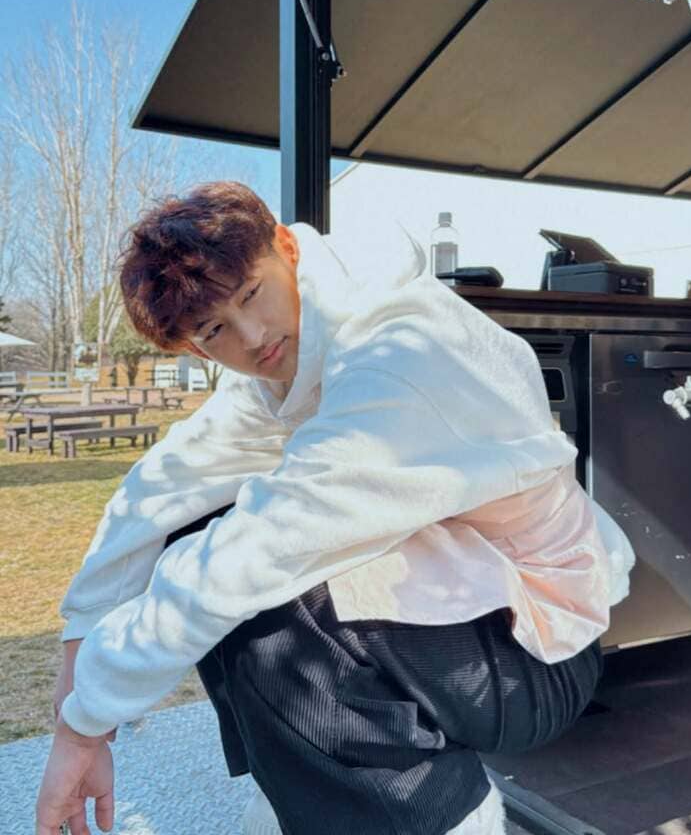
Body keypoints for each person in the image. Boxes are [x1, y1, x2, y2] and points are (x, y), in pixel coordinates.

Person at [37, 182, 635, 835]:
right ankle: (308, 789)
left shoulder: (403, 352)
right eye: (215, 329)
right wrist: (78, 680)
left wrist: (86, 721)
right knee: (199, 530)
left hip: (539, 651)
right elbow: (161, 486)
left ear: (286, 248)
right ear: (196, 349)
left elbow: (258, 552)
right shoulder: (293, 359)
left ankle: (437, 816)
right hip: (469, 611)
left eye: (251, 294)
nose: (253, 336)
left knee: (270, 600)